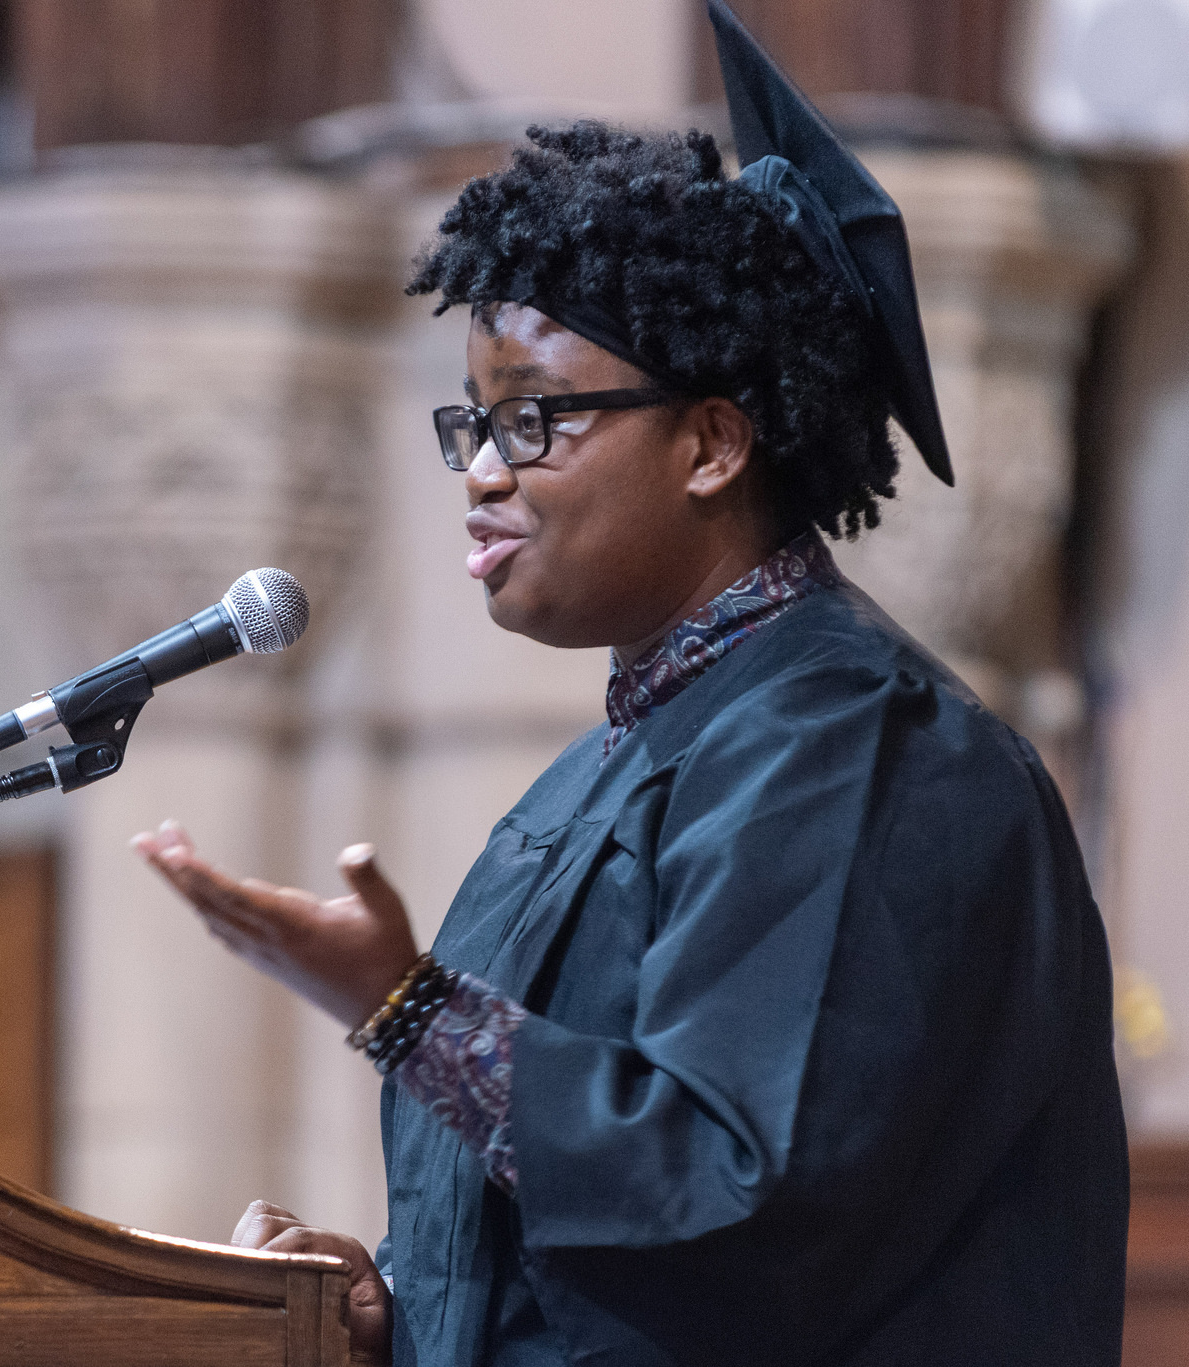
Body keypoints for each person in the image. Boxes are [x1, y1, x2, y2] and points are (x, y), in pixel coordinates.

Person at [130, 5, 1127, 1363]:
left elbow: (744, 1212)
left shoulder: (866, 751)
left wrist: (412, 1010)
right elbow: (569, 1265)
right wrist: (398, 1315)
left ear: (713, 444)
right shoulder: (610, 770)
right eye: (472, 422)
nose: (482, 470)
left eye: (533, 416)